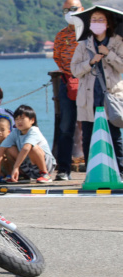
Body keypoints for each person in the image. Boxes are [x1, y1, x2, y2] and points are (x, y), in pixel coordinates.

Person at [71, 7, 123, 177]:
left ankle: (120, 171)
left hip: (111, 97)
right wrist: (91, 61)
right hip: (89, 97)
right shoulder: (83, 45)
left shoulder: (117, 42)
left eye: (101, 19)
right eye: (94, 19)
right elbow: (75, 70)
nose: (97, 23)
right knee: (88, 136)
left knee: (114, 135)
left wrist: (109, 54)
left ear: (108, 23)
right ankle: (91, 172)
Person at [53, 0, 84, 181]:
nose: (69, 13)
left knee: (92, 125)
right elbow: (57, 56)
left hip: (89, 83)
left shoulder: (89, 33)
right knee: (66, 126)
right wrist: (69, 71)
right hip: (67, 81)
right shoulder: (61, 35)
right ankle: (63, 169)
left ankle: (99, 163)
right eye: (66, 10)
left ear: (82, 10)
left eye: (73, 9)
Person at [0, 105, 56, 185]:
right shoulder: (15, 132)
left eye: (22, 118)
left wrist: (15, 167)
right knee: (8, 148)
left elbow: (26, 148)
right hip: (29, 167)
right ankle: (22, 175)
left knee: (33, 147)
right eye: (17, 119)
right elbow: (1, 149)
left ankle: (45, 174)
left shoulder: (34, 130)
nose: (19, 121)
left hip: (46, 165)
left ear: (32, 120)